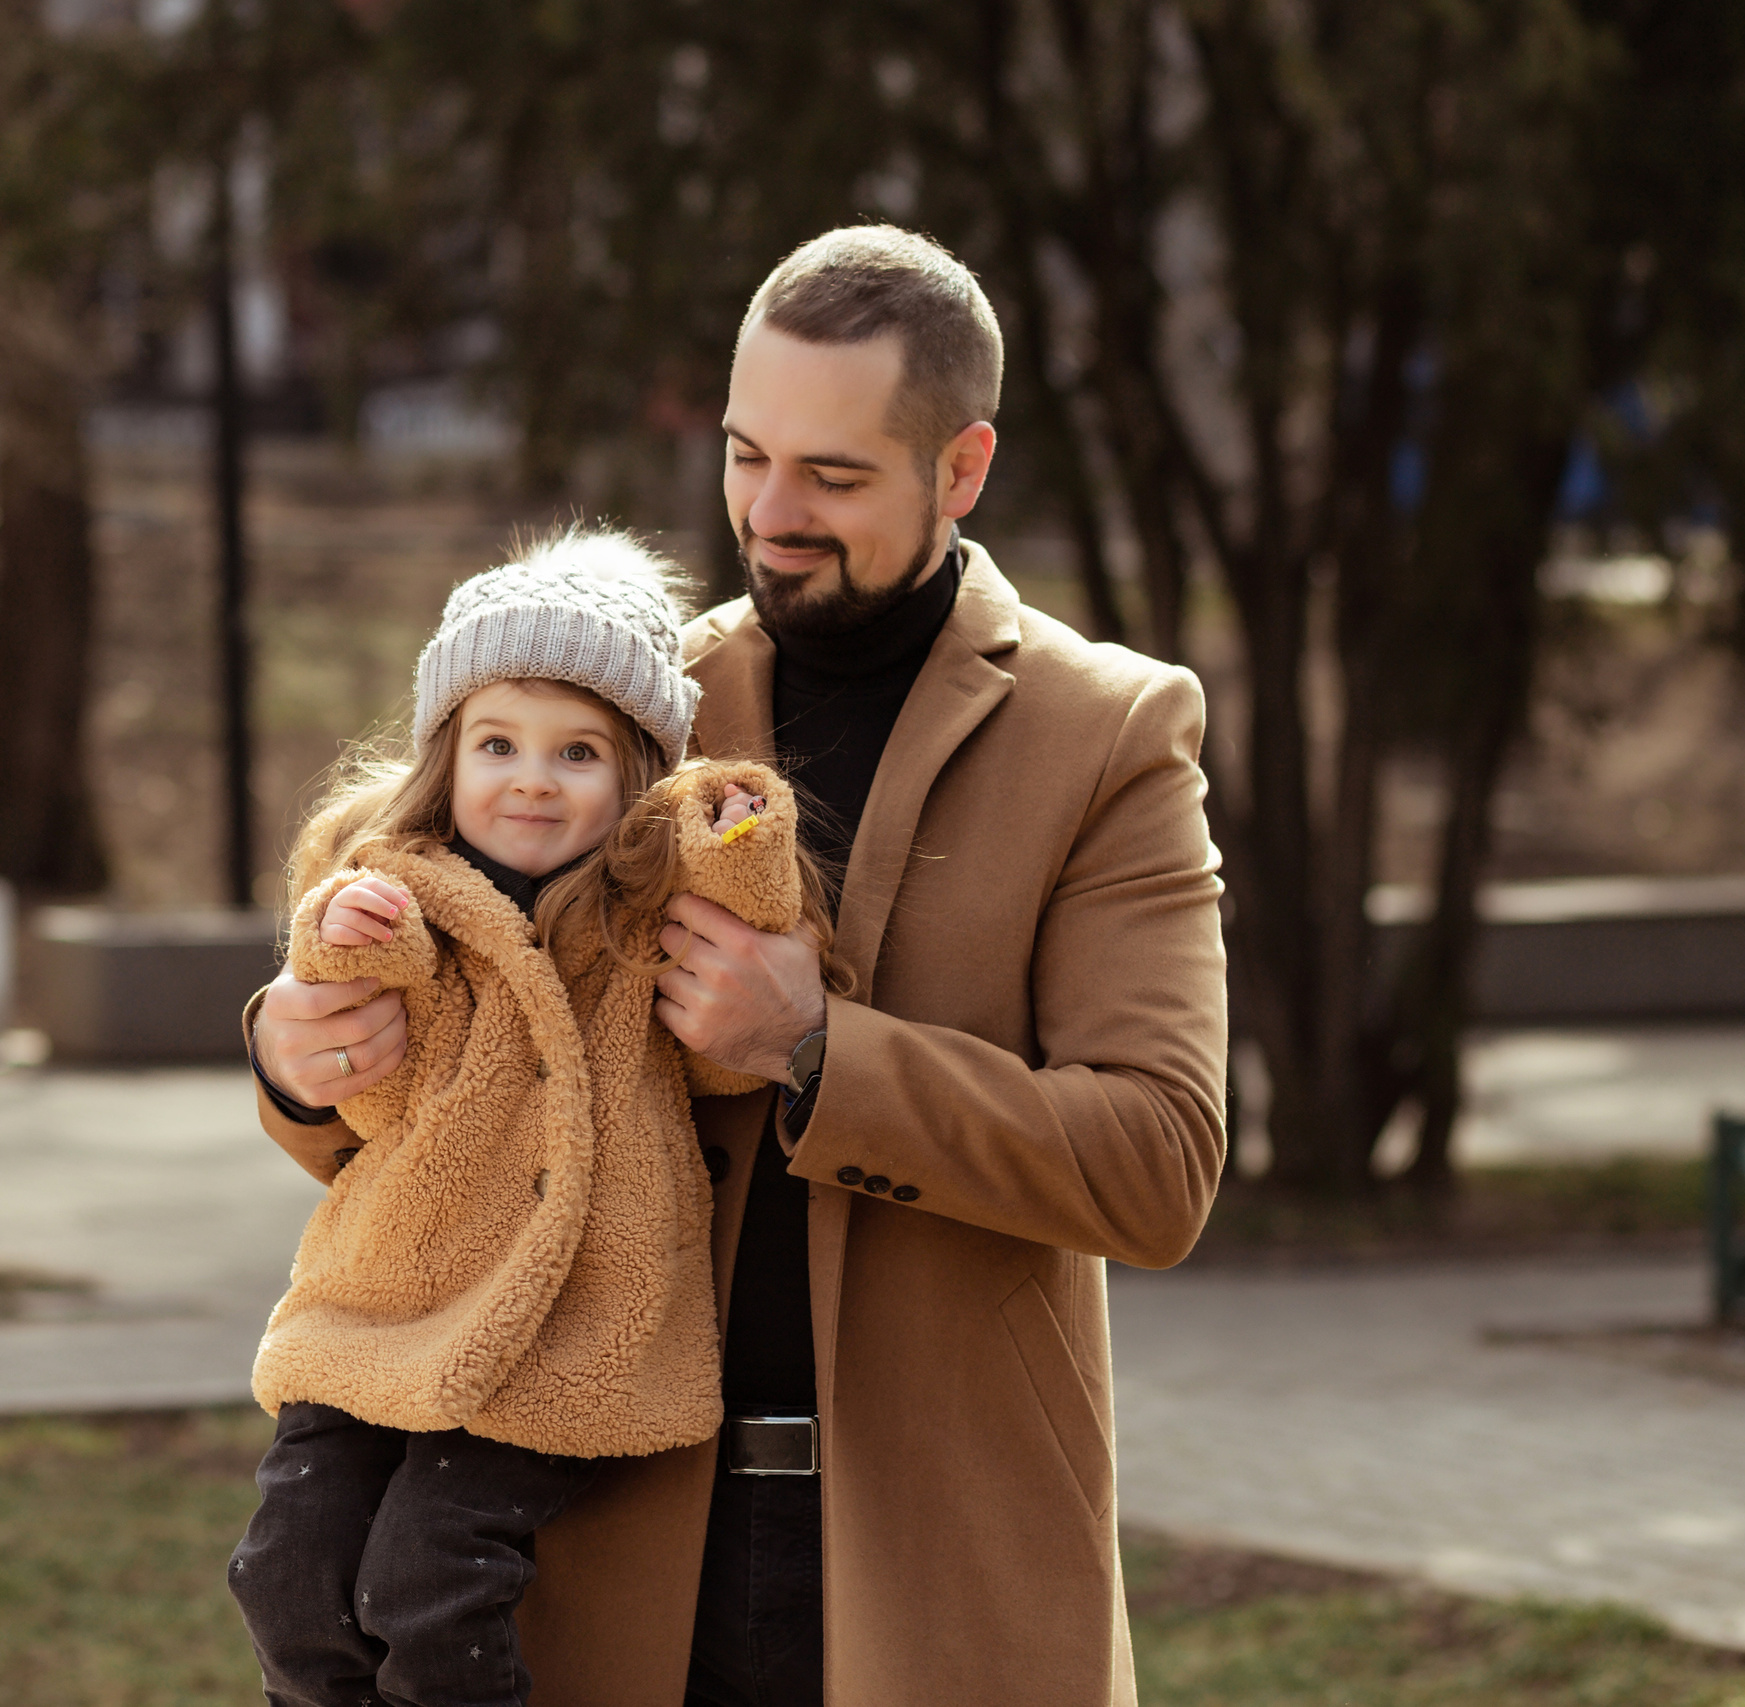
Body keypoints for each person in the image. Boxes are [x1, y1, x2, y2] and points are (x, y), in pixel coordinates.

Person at [250, 226, 1229, 1707]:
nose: (772, 515)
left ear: (962, 469)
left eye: (834, 477)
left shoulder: (1112, 732)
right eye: (744, 454)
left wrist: (818, 1048)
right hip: (608, 1526)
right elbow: (441, 961)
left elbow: (1159, 1162)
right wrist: (294, 1051)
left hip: (940, 1550)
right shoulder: (625, 698)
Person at [227, 526, 843, 1707]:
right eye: (496, 743)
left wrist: (737, 839)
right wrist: (343, 940)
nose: (530, 779)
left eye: (577, 753)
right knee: (286, 1576)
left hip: (564, 1327)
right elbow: (369, 1075)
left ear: (637, 779)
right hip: (385, 1297)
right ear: (444, 757)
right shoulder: (404, 891)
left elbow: (728, 1059)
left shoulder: (641, 918)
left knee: (427, 1584)